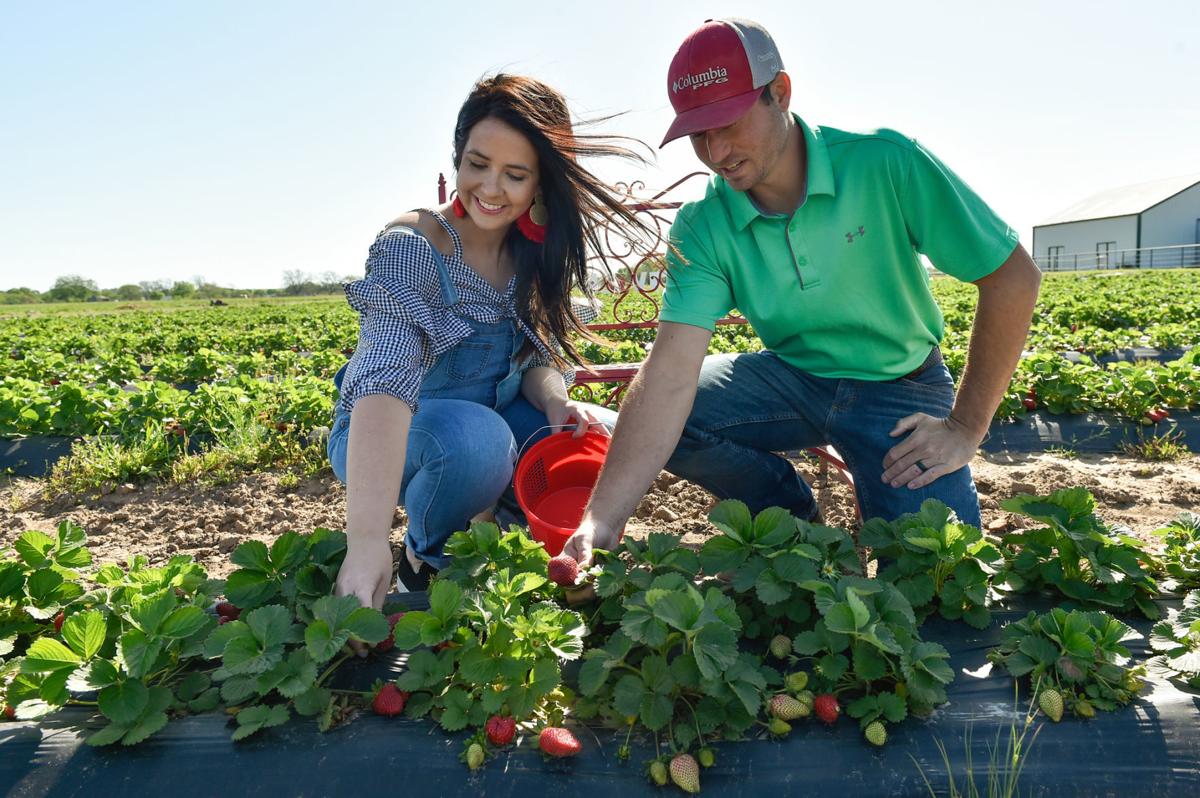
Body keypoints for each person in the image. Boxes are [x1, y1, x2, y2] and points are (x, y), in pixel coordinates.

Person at [563, 18, 1042, 565]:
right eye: (699, 134)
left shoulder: (884, 163)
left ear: (780, 92)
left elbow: (1011, 277)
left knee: (935, 570)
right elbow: (669, 370)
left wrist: (964, 427)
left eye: (728, 122)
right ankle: (792, 515)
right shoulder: (704, 224)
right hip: (790, 376)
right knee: (681, 413)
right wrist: (602, 519)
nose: (716, 151)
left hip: (898, 385)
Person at [331, 74, 657, 611]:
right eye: (477, 164)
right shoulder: (414, 246)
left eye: (515, 174)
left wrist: (555, 398)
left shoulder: (534, 252)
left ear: (540, 185)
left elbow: (534, 358)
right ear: (458, 158)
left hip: (491, 424)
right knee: (476, 443)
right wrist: (365, 542)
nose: (489, 187)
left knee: (605, 437)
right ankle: (426, 556)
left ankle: (513, 546)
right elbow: (384, 381)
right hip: (400, 431)